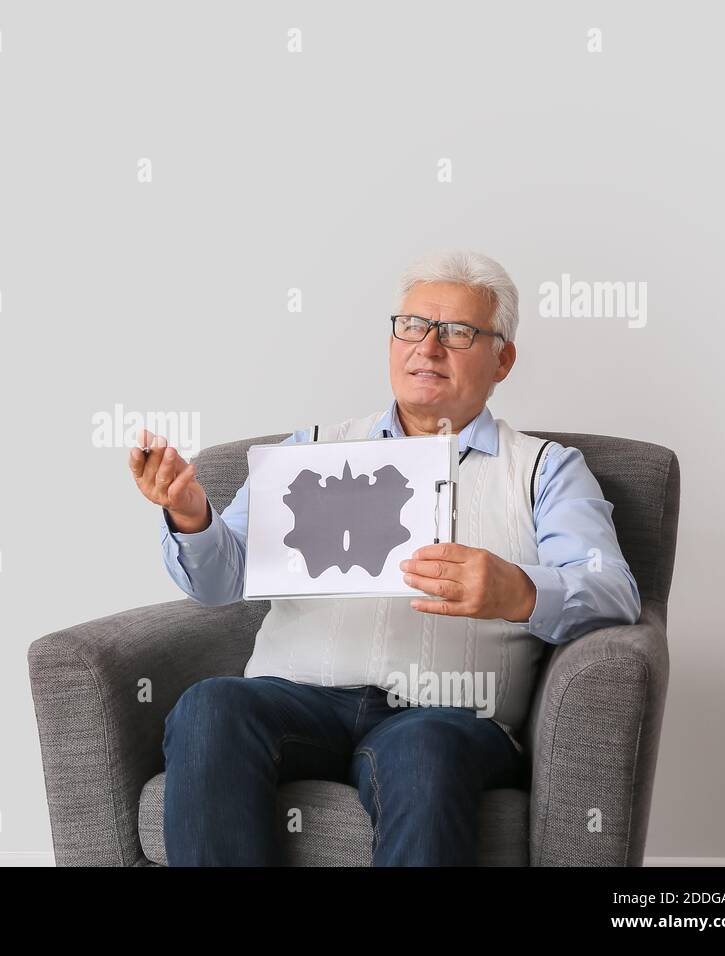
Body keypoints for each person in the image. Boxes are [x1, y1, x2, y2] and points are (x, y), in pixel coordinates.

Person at [127, 250, 640, 866]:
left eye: (459, 333)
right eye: (413, 326)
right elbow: (220, 579)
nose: (428, 347)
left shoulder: (543, 469)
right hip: (297, 698)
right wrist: (191, 515)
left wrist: (518, 590)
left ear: (503, 358)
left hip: (447, 712)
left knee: (424, 747)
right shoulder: (310, 451)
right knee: (210, 705)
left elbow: (612, 589)